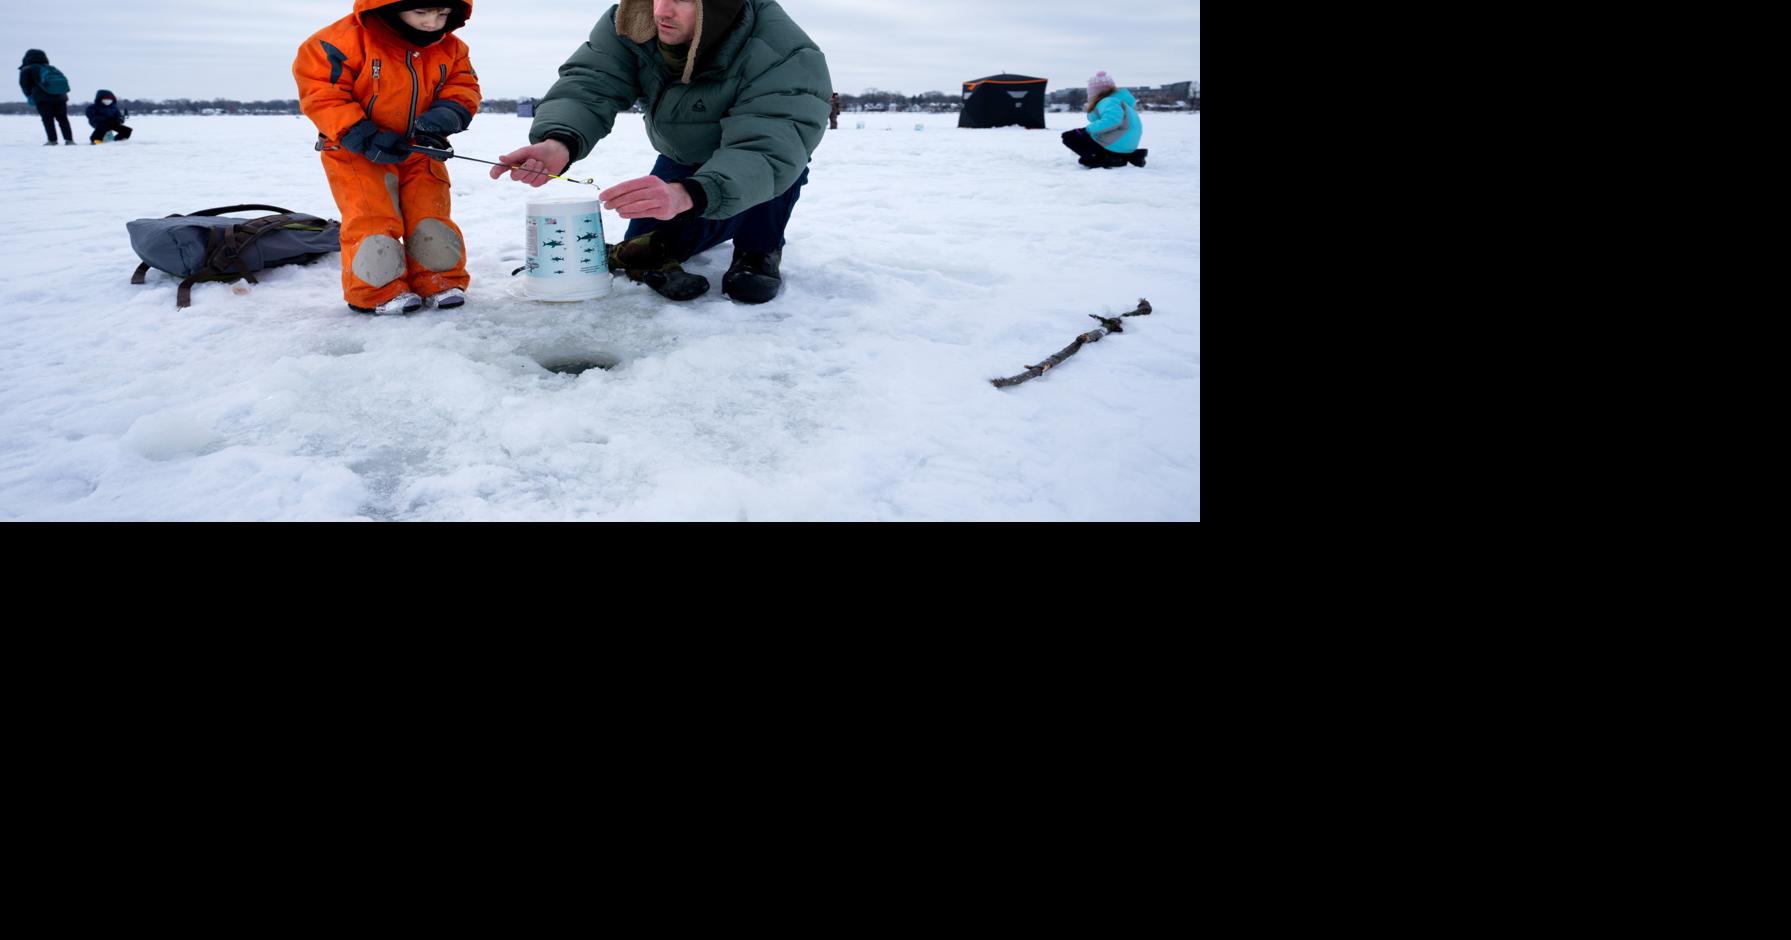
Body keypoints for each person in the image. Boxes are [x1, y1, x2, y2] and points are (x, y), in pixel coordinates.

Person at [493, 0, 832, 304]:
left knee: (772, 177)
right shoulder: (631, 20)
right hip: (682, 155)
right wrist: (559, 141)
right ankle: (721, 213)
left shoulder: (784, 51)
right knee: (643, 245)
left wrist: (690, 193)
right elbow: (592, 82)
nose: (660, 11)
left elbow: (769, 147)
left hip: (755, 158)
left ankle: (757, 249)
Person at [293, 1, 481, 315]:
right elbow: (322, 94)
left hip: (420, 150)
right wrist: (361, 134)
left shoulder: (453, 48)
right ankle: (377, 290)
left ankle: (439, 280)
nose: (432, 22)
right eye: (421, 12)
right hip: (356, 151)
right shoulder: (336, 42)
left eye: (442, 14)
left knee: (430, 214)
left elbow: (463, 87)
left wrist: (445, 118)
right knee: (373, 217)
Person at [1060, 71, 1146, 169]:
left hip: (1115, 144)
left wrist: (1087, 130)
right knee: (1084, 135)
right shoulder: (1120, 101)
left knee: (1069, 136)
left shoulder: (1108, 101)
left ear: (1094, 92)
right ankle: (1127, 156)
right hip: (1127, 145)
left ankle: (1101, 159)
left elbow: (1113, 120)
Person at [18, 50, 74, 146]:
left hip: (42, 98)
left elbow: (24, 85)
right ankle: (69, 140)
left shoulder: (27, 69)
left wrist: (30, 95)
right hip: (60, 97)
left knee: (47, 119)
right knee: (63, 119)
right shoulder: (51, 68)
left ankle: (52, 140)